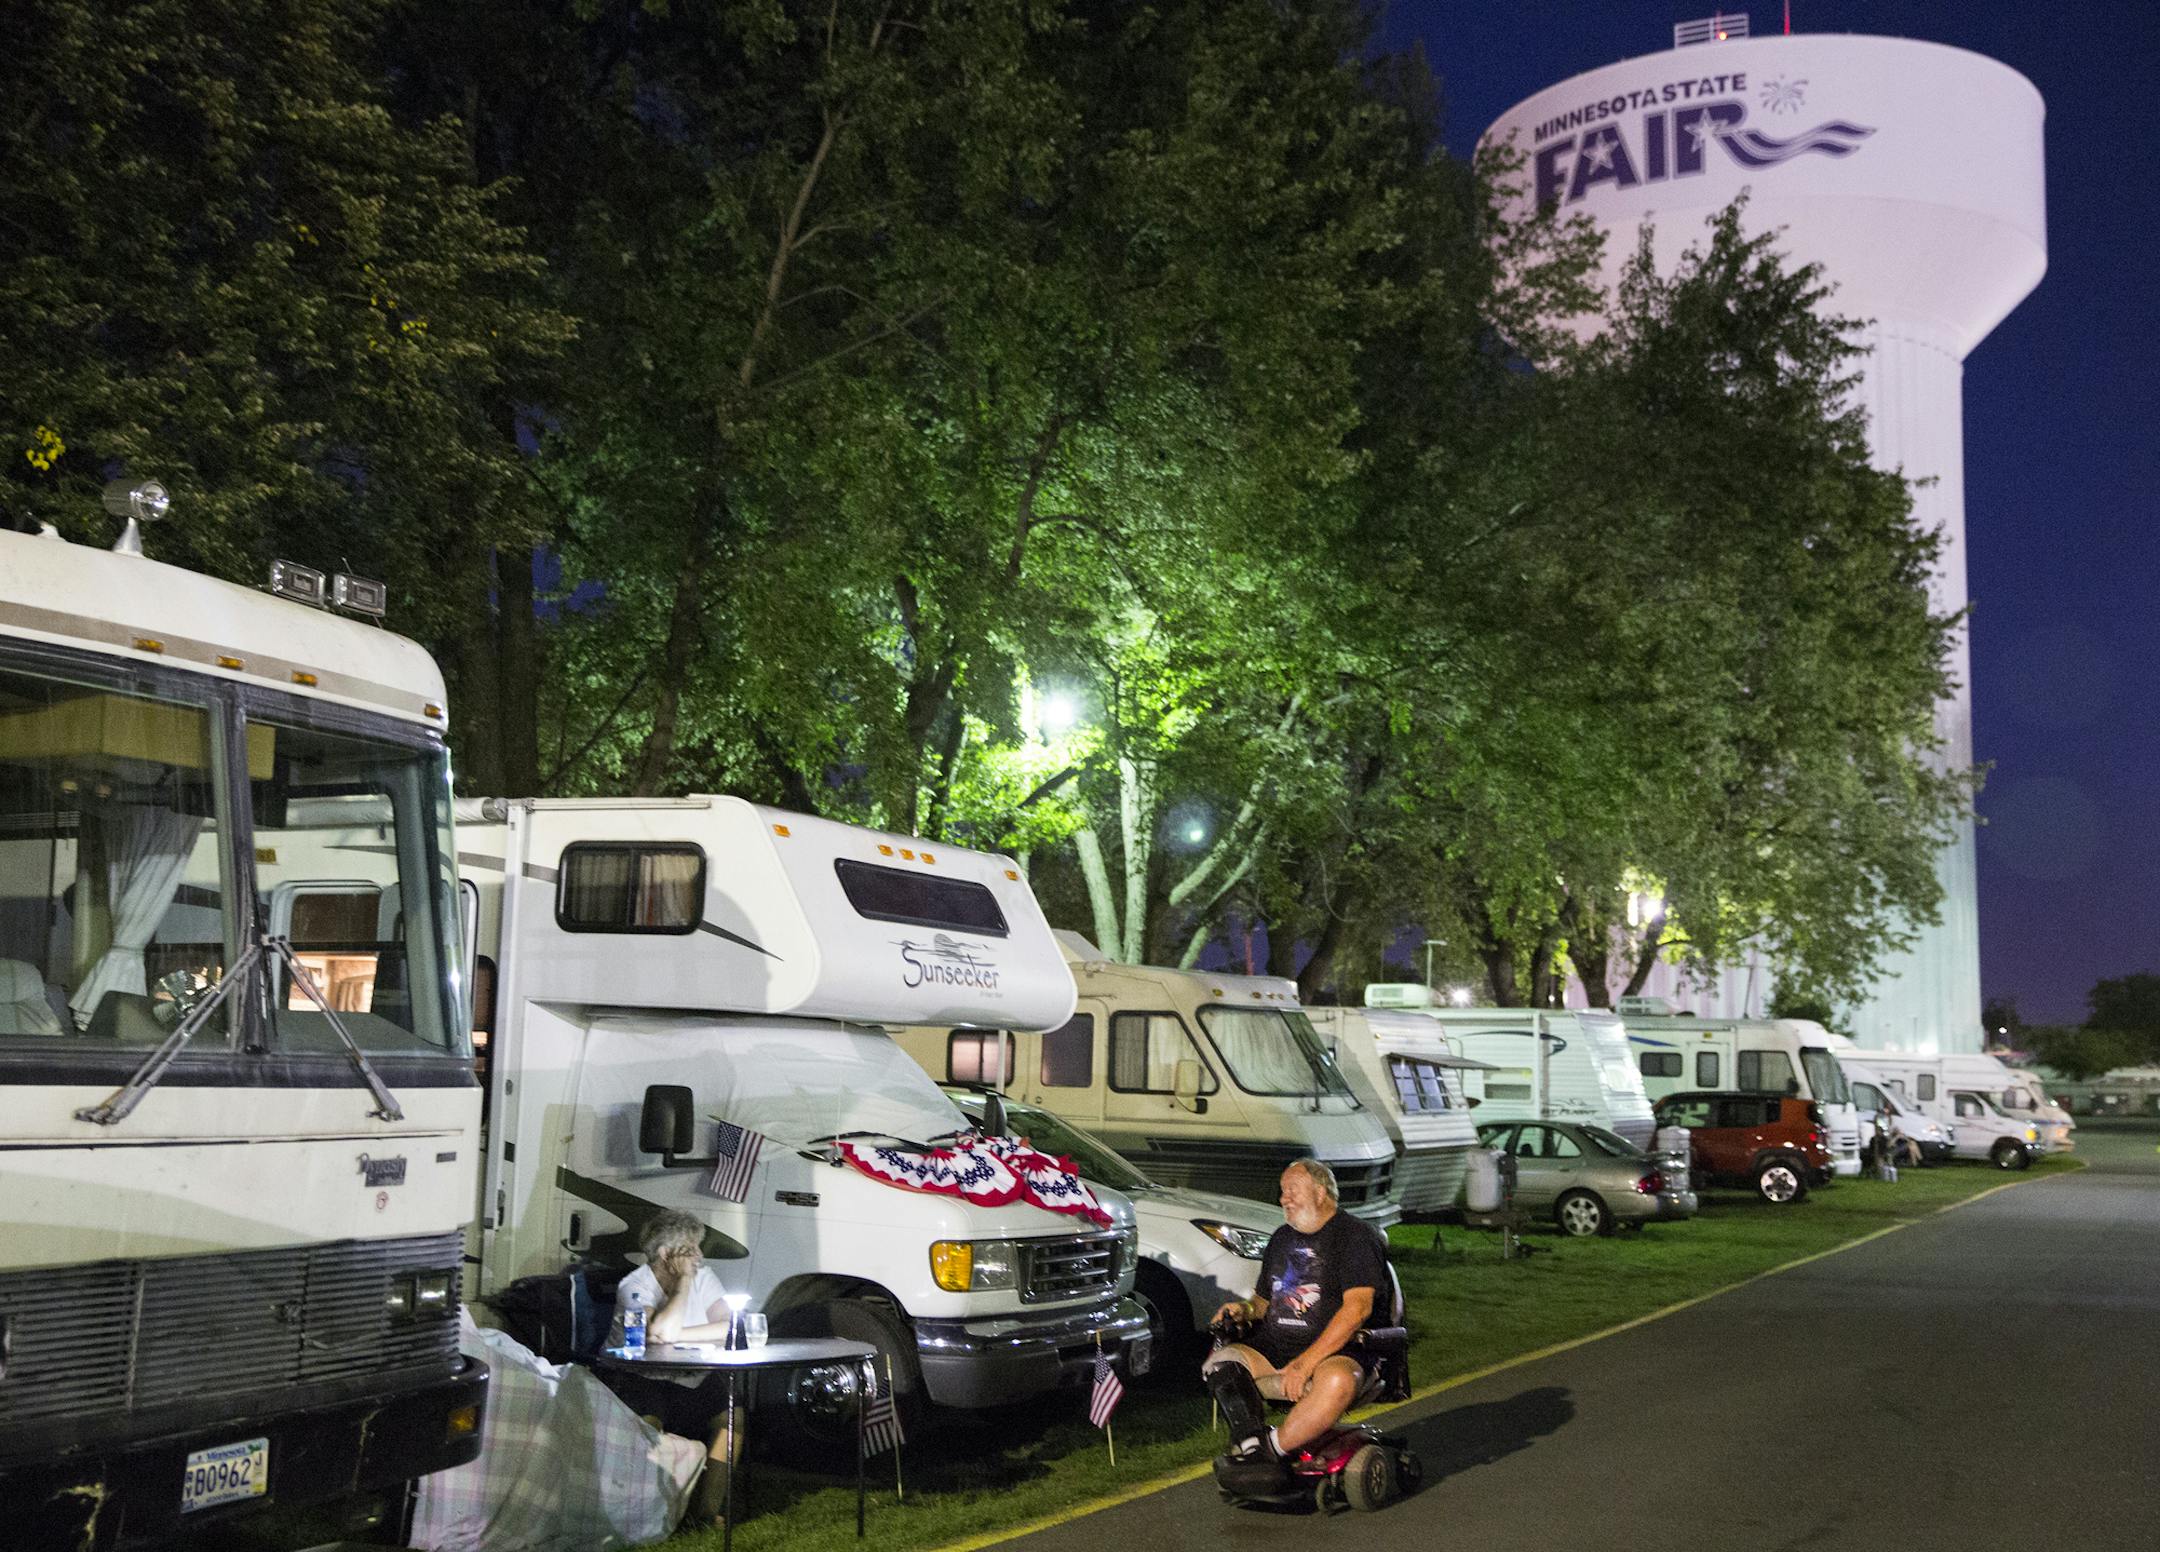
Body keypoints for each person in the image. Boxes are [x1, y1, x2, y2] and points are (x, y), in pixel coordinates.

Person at [1203, 1159, 1389, 1489]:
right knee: (1220, 1364)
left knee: (1336, 1380)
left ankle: (1271, 1449)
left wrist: (1304, 1365)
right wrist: (1244, 1309)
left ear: (1320, 1192)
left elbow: (1357, 1310)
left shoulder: (1355, 1237)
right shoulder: (1281, 1238)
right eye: (1282, 1191)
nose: (1283, 1199)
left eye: (1292, 1190)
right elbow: (1263, 1302)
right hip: (1276, 1346)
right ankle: (1253, 1448)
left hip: (1341, 1351)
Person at [604, 1211, 747, 1524]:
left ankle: (707, 1513)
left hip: (689, 1377)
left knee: (731, 1417)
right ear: (666, 1254)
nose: (699, 1255)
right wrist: (682, 1283)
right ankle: (642, 1515)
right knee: (648, 1425)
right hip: (641, 1377)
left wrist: (676, 1335)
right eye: (690, 1249)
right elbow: (651, 1335)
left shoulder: (704, 1277)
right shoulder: (635, 1286)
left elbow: (730, 1327)